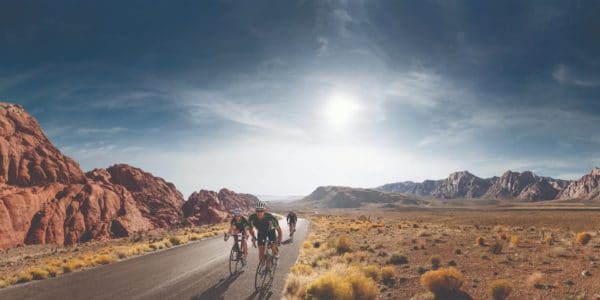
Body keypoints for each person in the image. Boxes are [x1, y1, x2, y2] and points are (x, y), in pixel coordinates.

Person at [248, 201, 282, 266]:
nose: (259, 212)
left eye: (261, 210)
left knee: (273, 246)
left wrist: (279, 240)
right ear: (255, 211)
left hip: (271, 231)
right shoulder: (252, 217)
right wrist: (253, 237)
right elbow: (250, 228)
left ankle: (276, 255)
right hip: (261, 232)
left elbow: (279, 230)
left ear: (264, 210)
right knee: (261, 252)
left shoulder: (271, 218)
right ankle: (263, 267)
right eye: (257, 210)